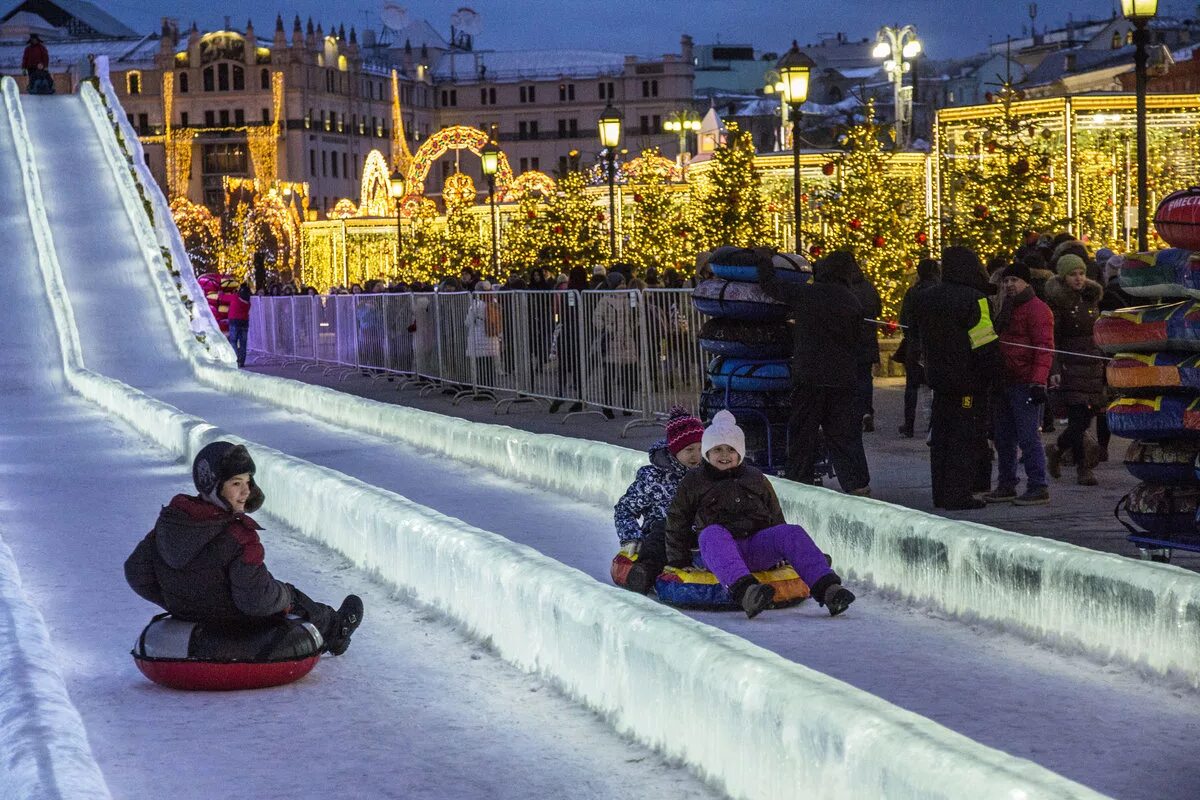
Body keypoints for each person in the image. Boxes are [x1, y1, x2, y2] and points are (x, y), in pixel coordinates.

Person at [124, 442, 363, 656]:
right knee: (289, 596)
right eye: (236, 483)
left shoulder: (171, 523)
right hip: (233, 622)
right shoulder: (239, 536)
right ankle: (336, 629)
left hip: (188, 615)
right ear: (214, 486)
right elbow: (255, 600)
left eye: (248, 482)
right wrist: (285, 596)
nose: (246, 492)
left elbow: (136, 572)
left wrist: (178, 603)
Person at [664, 411, 855, 618]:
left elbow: (774, 514)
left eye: (731, 449)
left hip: (755, 545)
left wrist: (781, 552)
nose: (725, 455)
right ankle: (748, 592)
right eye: (718, 449)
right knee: (710, 534)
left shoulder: (755, 477)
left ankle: (828, 590)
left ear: (740, 452)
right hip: (720, 551)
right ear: (707, 454)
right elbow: (677, 521)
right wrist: (678, 561)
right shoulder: (694, 482)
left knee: (791, 532)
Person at [756, 249, 870, 496]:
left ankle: (800, 482)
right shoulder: (852, 301)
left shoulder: (808, 294)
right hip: (842, 377)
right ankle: (857, 483)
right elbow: (856, 341)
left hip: (810, 375)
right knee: (843, 434)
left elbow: (772, 287)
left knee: (803, 431)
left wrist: (764, 262)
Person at [910, 246, 1000, 511]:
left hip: (938, 378)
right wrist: (993, 373)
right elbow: (984, 341)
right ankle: (958, 494)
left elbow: (916, 336)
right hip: (968, 382)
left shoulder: (925, 298)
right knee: (965, 438)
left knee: (941, 439)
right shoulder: (975, 299)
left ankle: (941, 492)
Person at [984, 260, 1054, 505]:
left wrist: (1038, 381)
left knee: (1027, 437)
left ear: (1025, 282)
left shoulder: (1037, 309)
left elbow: (1044, 347)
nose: (1009, 284)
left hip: (1024, 381)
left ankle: (1038, 485)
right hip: (1004, 380)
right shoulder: (1006, 307)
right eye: (1006, 280)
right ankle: (1006, 483)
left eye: (1014, 280)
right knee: (1003, 438)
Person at [615, 407, 705, 594]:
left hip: (697, 534)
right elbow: (625, 508)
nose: (696, 456)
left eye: (701, 449)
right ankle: (645, 571)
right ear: (674, 449)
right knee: (663, 529)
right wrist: (631, 536)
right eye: (689, 450)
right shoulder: (653, 478)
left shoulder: (706, 475)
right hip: (662, 536)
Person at [1043, 254, 1106, 486]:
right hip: (1071, 365)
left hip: (1092, 364)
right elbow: (1053, 339)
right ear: (1063, 277)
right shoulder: (1058, 303)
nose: (1079, 278)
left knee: (1087, 418)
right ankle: (1083, 468)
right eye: (1073, 274)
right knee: (1078, 420)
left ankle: (1057, 449)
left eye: (1081, 273)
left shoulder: (1091, 298)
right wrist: (1055, 367)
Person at [897, 258, 940, 437]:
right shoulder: (939, 292)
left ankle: (909, 425)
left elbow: (904, 320)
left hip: (914, 343)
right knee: (935, 387)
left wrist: (910, 335)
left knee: (911, 386)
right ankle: (933, 425)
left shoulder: (913, 292)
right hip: (935, 344)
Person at [592, 271, 639, 418]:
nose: (623, 286)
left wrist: (634, 326)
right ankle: (607, 405)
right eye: (620, 283)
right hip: (613, 341)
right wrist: (606, 328)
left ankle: (628, 404)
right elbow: (597, 317)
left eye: (624, 283)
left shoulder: (630, 299)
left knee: (629, 375)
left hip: (627, 340)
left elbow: (638, 315)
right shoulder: (605, 300)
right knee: (610, 376)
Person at [849, 263, 883, 433]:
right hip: (868, 339)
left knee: (850, 378)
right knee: (865, 378)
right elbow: (878, 309)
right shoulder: (868, 287)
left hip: (850, 340)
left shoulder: (845, 290)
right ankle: (866, 410)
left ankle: (854, 412)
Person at [465, 280, 501, 391]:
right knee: (490, 364)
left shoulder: (476, 304)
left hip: (478, 336)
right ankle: (490, 387)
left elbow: (468, 321)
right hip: (492, 336)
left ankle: (481, 387)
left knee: (480, 365)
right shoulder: (494, 302)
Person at [226, 281, 252, 368]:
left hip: (234, 322)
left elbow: (222, 297)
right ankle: (242, 362)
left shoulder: (235, 297)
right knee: (243, 343)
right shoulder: (248, 302)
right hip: (244, 323)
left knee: (233, 341)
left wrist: (220, 293)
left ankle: (236, 358)